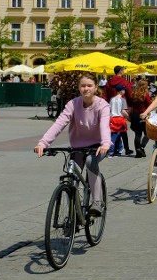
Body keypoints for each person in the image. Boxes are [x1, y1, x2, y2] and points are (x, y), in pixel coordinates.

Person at [34, 72, 109, 215]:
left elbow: (105, 125)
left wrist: (105, 144)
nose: (86, 88)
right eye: (83, 86)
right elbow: (59, 123)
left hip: (99, 146)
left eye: (89, 85)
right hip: (78, 146)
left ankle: (97, 202)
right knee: (70, 173)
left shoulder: (102, 105)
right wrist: (43, 143)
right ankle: (72, 216)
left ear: (95, 87)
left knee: (90, 162)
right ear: (79, 87)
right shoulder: (73, 104)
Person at [128, 79, 151, 158]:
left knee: (137, 134)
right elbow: (149, 105)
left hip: (135, 114)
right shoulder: (145, 94)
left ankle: (138, 151)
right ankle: (141, 147)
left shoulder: (133, 93)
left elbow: (130, 105)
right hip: (143, 114)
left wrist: (129, 115)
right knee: (147, 134)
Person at [107, 84, 131, 156]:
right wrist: (129, 118)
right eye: (124, 90)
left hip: (112, 118)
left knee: (114, 134)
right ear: (121, 91)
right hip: (120, 119)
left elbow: (109, 109)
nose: (124, 91)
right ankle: (126, 150)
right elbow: (123, 111)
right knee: (123, 135)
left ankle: (116, 149)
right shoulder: (122, 100)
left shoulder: (112, 99)